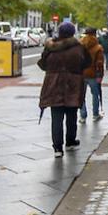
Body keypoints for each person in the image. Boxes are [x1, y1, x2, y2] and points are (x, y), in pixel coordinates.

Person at [38, 21, 90, 158]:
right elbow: (86, 62)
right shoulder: (78, 47)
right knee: (71, 114)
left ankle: (57, 148)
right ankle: (70, 141)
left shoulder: (50, 47)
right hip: (73, 84)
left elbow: (43, 64)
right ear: (72, 33)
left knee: (56, 117)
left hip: (53, 84)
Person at [79, 27, 105, 122]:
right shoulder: (97, 47)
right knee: (95, 94)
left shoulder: (80, 45)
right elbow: (99, 63)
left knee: (81, 95)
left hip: (81, 74)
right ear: (95, 34)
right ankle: (95, 114)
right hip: (93, 74)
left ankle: (83, 116)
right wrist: (100, 75)